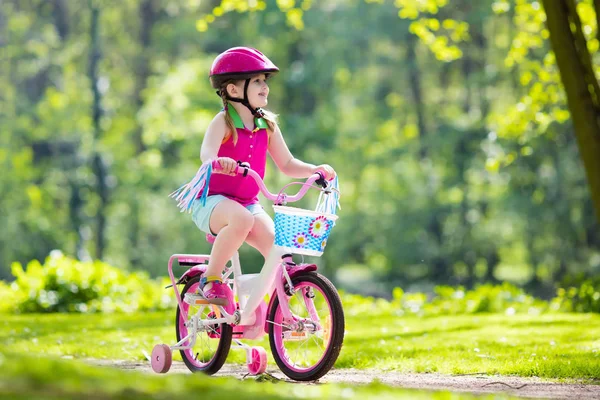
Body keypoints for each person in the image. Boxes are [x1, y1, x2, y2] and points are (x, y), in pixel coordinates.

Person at [191, 47, 336, 305]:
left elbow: (288, 163)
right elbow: (206, 154)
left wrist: (314, 170)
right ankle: (210, 281)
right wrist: (217, 161)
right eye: (257, 81)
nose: (264, 86)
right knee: (242, 219)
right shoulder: (223, 122)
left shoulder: (267, 125)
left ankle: (264, 312)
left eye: (265, 81)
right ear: (234, 90)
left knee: (279, 250)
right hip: (212, 201)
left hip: (248, 203)